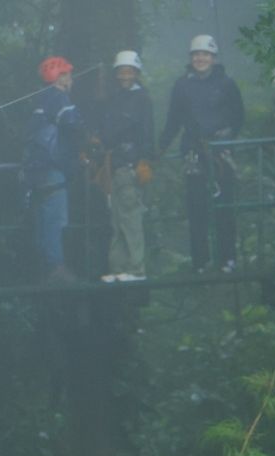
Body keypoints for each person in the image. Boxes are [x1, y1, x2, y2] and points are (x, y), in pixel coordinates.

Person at [160, 34, 245, 274]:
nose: (200, 58)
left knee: (224, 206)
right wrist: (159, 147)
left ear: (213, 58)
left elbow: (238, 116)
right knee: (196, 207)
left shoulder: (227, 84)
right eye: (196, 54)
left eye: (205, 54)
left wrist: (227, 137)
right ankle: (200, 260)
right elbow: (173, 121)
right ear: (191, 58)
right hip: (194, 153)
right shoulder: (182, 85)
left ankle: (228, 259)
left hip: (220, 153)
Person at [21, 55, 85, 283]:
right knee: (54, 219)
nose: (71, 80)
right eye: (68, 75)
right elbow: (74, 122)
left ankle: (44, 268)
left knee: (42, 219)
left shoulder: (38, 100)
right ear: (62, 77)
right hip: (52, 168)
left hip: (34, 171)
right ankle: (56, 268)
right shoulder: (59, 98)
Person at [97, 50, 155, 283]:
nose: (124, 76)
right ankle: (118, 268)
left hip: (129, 164)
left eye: (129, 71)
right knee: (117, 220)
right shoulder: (117, 98)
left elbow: (146, 133)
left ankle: (136, 268)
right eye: (121, 71)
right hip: (116, 165)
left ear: (136, 73)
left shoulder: (141, 99)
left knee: (130, 217)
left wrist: (142, 160)